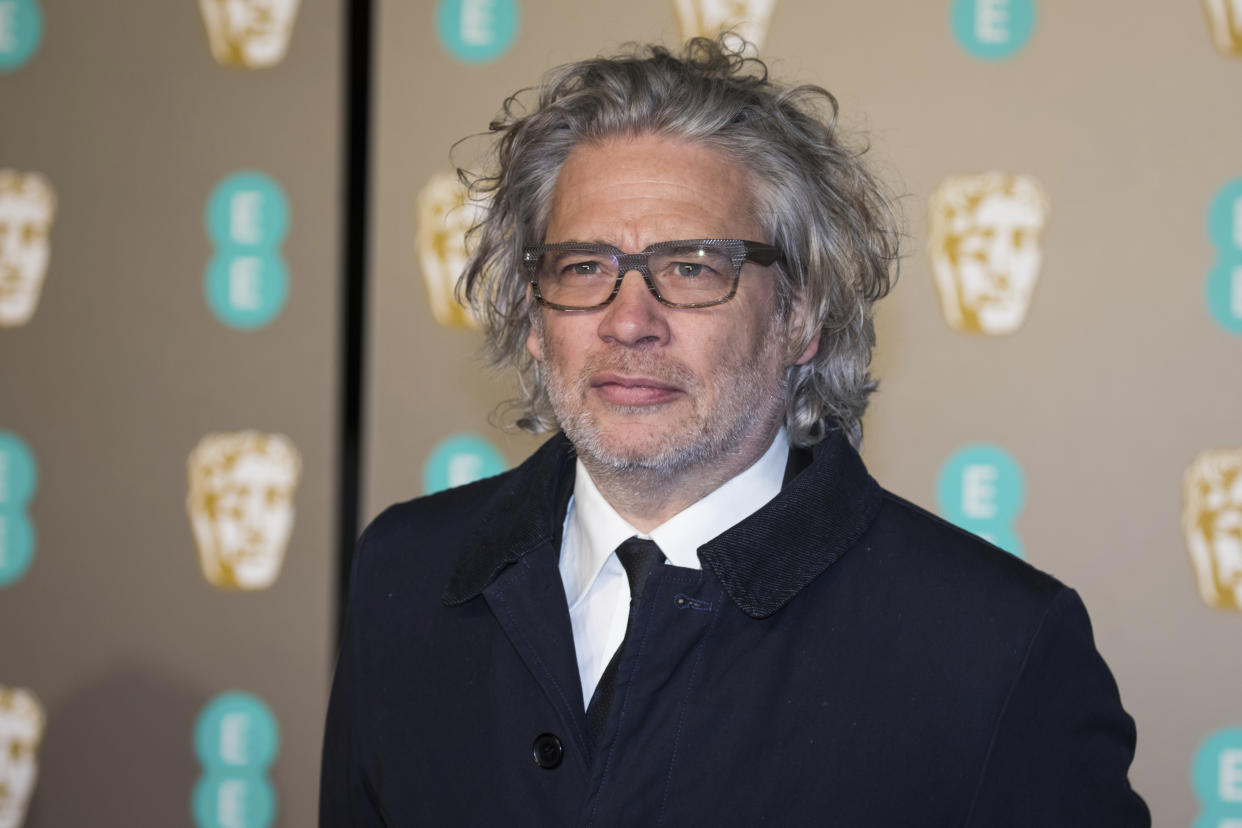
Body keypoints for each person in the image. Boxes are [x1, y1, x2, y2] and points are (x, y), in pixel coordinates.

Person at [320, 38, 1149, 826]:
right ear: (534, 320)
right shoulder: (406, 572)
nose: (629, 322)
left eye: (692, 267)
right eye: (584, 267)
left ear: (802, 315)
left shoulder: (994, 648)